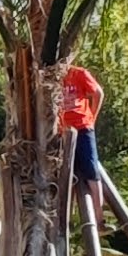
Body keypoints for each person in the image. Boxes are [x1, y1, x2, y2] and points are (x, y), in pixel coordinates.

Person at [56, 62, 104, 190]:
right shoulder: (52, 78)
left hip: (82, 126)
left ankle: (97, 203)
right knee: (64, 171)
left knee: (91, 171)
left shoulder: (78, 73)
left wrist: (92, 118)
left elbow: (98, 93)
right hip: (61, 131)